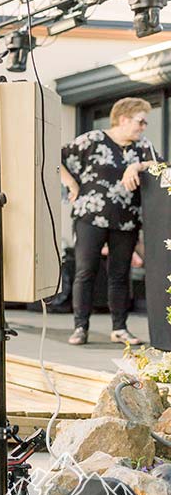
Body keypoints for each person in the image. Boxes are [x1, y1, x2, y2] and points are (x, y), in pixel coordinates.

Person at [61, 96, 161, 346]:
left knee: (120, 274)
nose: (143, 127)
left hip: (126, 221)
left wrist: (136, 166)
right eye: (141, 121)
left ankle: (119, 328)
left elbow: (160, 167)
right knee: (86, 271)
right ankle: (80, 327)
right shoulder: (93, 139)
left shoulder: (143, 146)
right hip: (90, 217)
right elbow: (56, 156)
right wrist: (71, 182)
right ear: (124, 119)